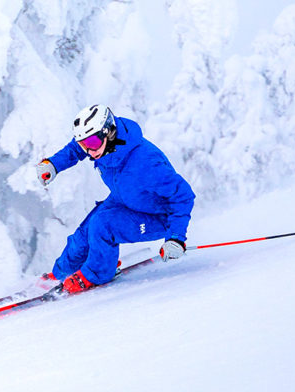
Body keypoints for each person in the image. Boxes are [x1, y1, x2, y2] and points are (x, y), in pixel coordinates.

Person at [36, 104, 195, 294]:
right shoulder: (102, 145)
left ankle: (97, 273)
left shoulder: (146, 163)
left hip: (159, 216)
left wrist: (176, 238)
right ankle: (61, 272)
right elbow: (75, 149)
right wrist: (53, 165)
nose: (90, 151)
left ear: (109, 131)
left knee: (103, 225)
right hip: (127, 199)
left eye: (93, 143)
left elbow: (183, 195)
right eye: (84, 144)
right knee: (84, 233)